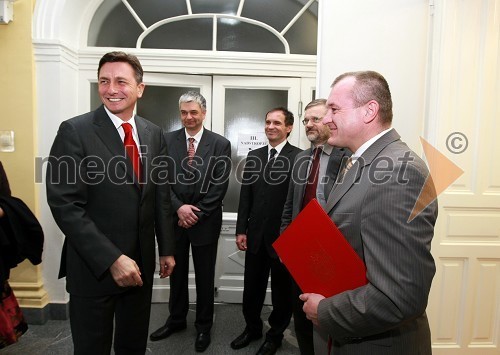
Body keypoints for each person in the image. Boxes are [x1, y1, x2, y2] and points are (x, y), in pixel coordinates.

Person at [46, 51, 176, 355]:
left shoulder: (153, 133)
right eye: (104, 81)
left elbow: (160, 195)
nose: (111, 89)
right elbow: (65, 205)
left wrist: (166, 247)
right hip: (94, 268)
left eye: (121, 81)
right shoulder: (74, 131)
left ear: (140, 88)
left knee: (132, 345)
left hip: (140, 266)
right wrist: (111, 259)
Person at [300, 71, 437, 355]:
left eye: (334, 110)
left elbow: (399, 297)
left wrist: (325, 311)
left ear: (369, 111)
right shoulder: (360, 162)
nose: (325, 119)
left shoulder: (398, 171)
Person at [149, 91, 231, 353]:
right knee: (177, 275)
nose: (188, 117)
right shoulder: (166, 140)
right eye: (184, 112)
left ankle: (204, 326)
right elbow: (160, 179)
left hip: (204, 222)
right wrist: (179, 208)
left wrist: (195, 213)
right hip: (174, 221)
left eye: (194, 112)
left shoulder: (220, 144)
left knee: (206, 277)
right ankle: (176, 320)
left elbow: (219, 186)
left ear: (204, 113)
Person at [280, 99, 350, 355]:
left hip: (333, 252)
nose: (308, 124)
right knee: (302, 314)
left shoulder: (349, 158)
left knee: (329, 317)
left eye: (315, 119)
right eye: (305, 120)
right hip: (301, 251)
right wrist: (286, 245)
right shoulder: (301, 158)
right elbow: (290, 205)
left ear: (330, 121)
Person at [231, 107, 302, 355]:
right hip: (255, 238)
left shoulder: (299, 158)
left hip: (283, 240)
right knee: (252, 289)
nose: (271, 126)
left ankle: (274, 336)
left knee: (282, 294)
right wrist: (241, 230)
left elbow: (299, 203)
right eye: (268, 122)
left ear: (289, 128)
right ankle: (252, 328)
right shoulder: (255, 155)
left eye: (277, 123)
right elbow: (245, 197)